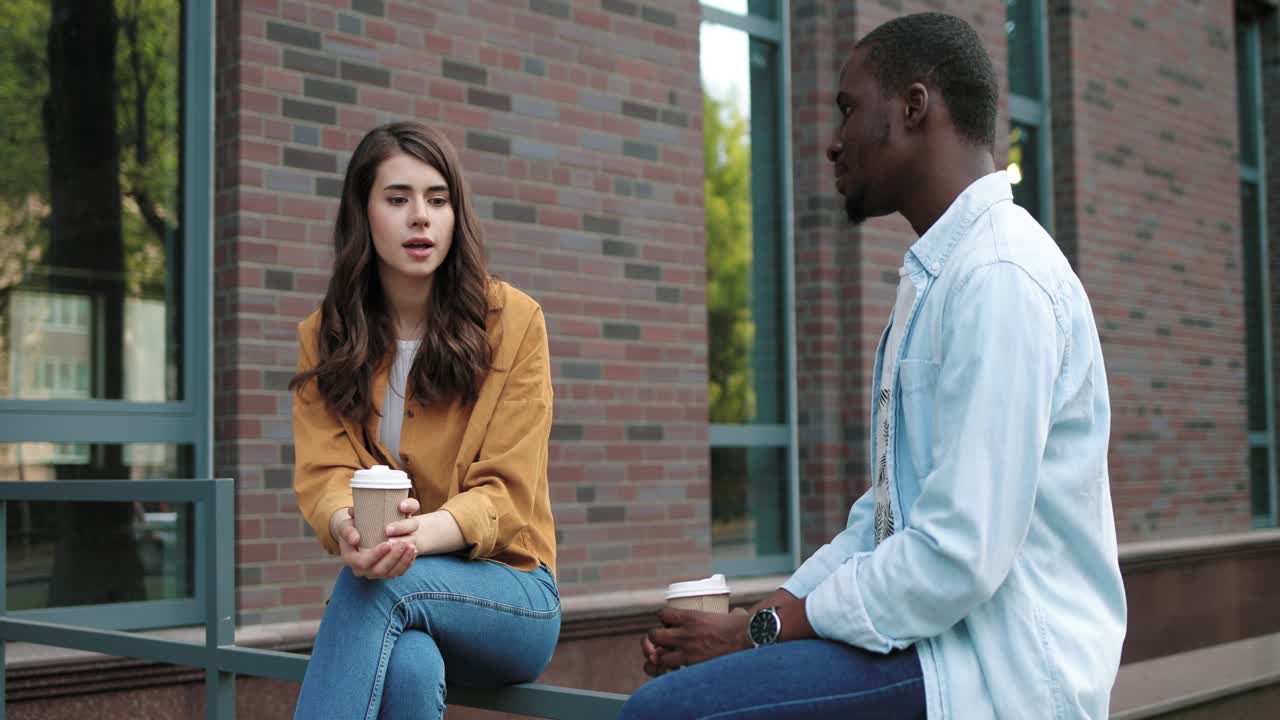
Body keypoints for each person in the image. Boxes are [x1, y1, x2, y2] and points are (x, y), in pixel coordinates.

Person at [624, 12, 1126, 720]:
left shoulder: (1001, 276)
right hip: (928, 648)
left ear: (915, 106)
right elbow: (885, 522)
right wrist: (760, 621)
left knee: (668, 714)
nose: (833, 142)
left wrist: (757, 633)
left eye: (848, 108)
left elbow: (957, 554)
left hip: (996, 677)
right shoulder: (939, 278)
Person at [289, 121, 559, 720]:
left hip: (512, 591)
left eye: (438, 200)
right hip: (394, 591)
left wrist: (413, 538)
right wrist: (348, 528)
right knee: (409, 666)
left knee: (377, 587)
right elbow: (325, 472)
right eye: (397, 199)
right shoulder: (326, 335)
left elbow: (506, 494)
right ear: (364, 213)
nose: (421, 217)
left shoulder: (513, 322)